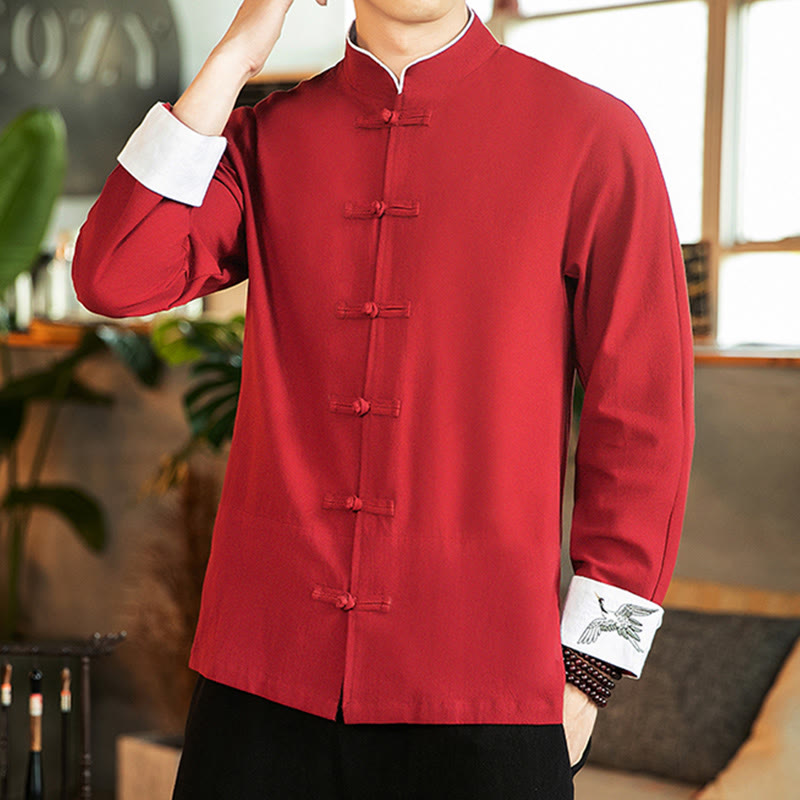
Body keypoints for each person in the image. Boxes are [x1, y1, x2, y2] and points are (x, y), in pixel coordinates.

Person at [71, 0, 696, 797]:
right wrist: (236, 52)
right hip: (259, 687)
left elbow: (645, 415)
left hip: (486, 692)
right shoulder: (264, 141)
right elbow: (113, 274)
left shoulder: (593, 135)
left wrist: (591, 672)